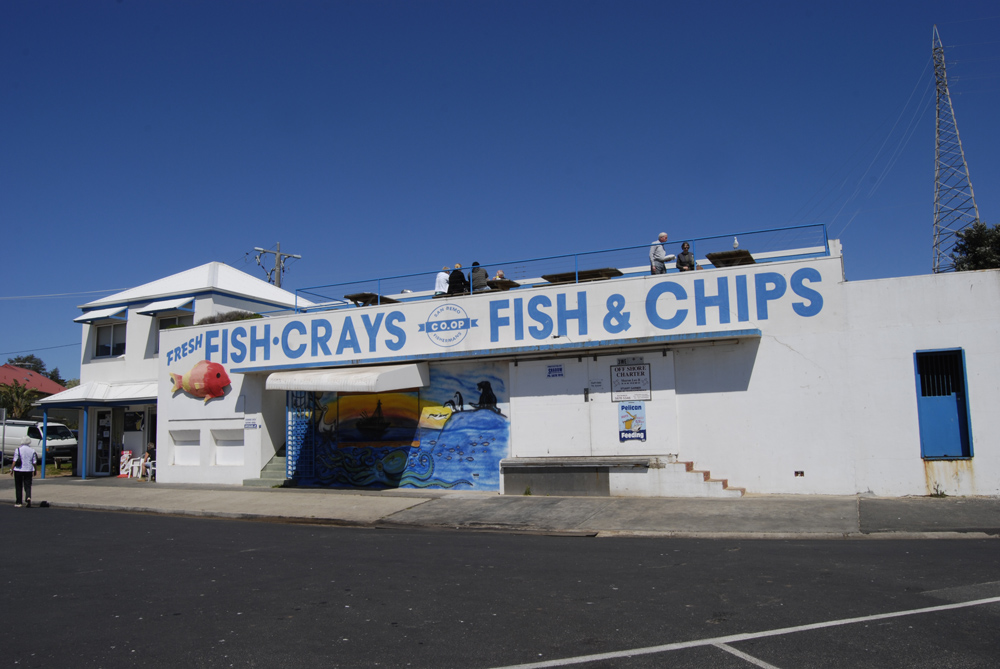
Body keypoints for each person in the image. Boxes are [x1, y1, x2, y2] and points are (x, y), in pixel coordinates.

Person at [11, 436, 38, 508]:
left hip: (18, 470)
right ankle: (28, 497)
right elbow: (34, 462)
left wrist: (11, 469)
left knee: (19, 486)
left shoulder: (18, 450)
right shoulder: (32, 450)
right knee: (28, 485)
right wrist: (35, 470)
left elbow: (14, 460)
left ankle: (19, 502)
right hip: (28, 469)